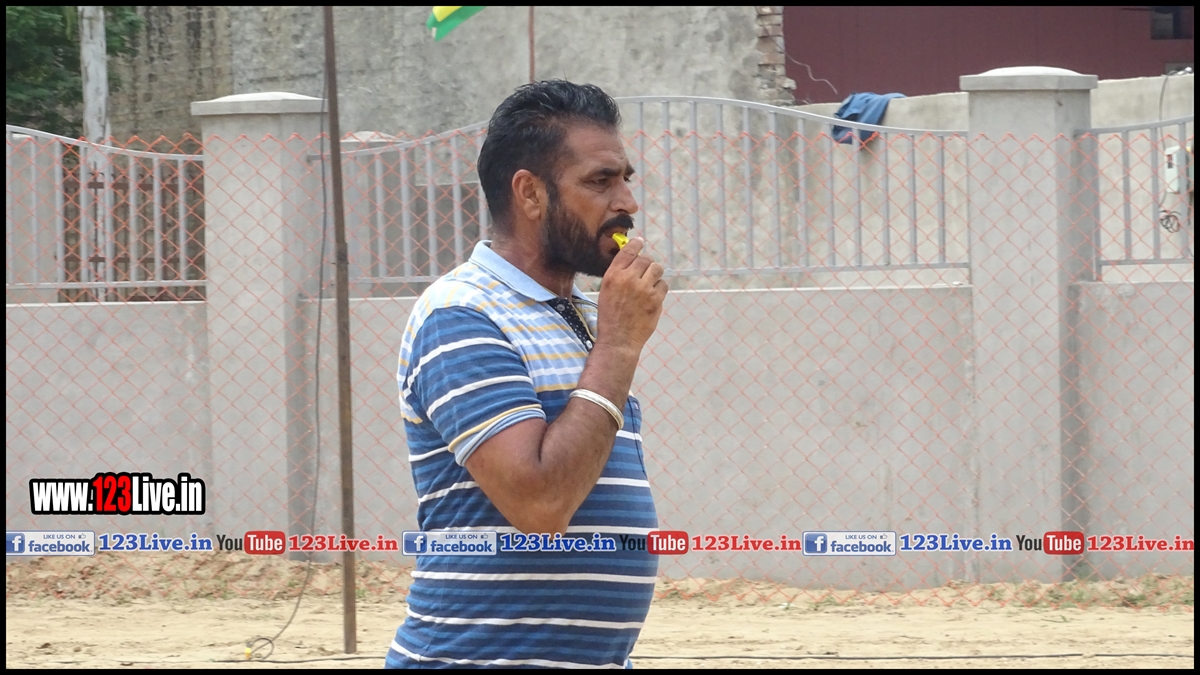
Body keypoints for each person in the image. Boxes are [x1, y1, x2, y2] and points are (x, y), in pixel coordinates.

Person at [386, 80, 669, 668]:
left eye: (626, 179)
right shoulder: (462, 314)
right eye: (601, 181)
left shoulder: (588, 316)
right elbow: (540, 504)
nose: (627, 202)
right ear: (531, 193)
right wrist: (618, 346)